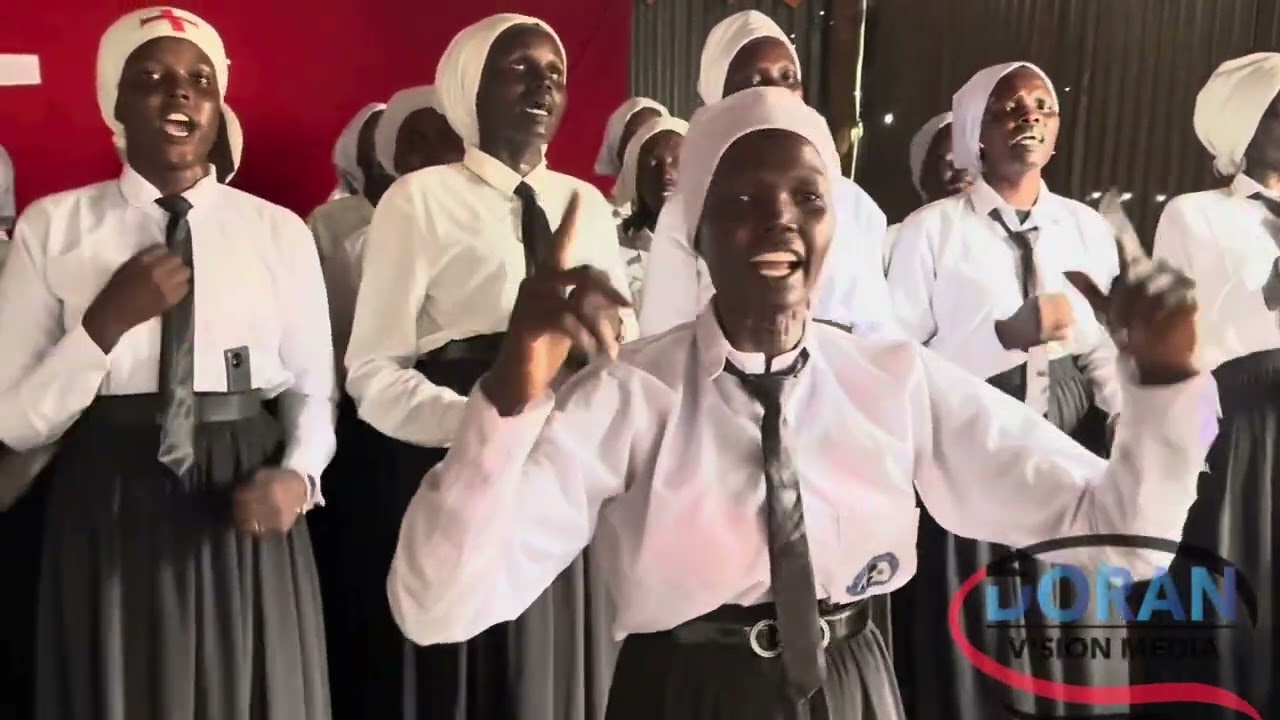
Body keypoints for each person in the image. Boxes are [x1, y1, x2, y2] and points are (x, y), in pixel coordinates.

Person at [386, 85, 1215, 720]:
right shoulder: (629, 396)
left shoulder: (892, 380)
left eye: (807, 198)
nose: (778, 221)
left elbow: (1122, 540)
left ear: (834, 226)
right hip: (683, 692)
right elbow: (435, 606)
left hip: (853, 684)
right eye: (742, 200)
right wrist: (511, 387)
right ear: (696, 231)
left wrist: (1165, 391)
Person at [0, 8, 335, 718]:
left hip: (242, 484)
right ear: (113, 106)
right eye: (150, 79)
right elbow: (17, 420)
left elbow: (312, 387)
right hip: (108, 490)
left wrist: (300, 477)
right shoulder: (52, 228)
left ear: (218, 105)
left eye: (199, 81)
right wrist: (104, 324)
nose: (179, 95)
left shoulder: (276, 231)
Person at [341, 13, 635, 720]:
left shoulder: (587, 205)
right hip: (459, 459)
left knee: (557, 664)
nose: (542, 86)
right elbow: (372, 370)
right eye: (519, 69)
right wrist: (483, 423)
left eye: (555, 74)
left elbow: (623, 348)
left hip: (564, 467)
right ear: (468, 86)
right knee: (468, 665)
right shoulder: (419, 200)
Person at [886, 62, 1126, 719]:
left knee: (1081, 642)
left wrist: (1131, 436)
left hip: (1070, 458)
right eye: (1007, 108)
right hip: (975, 457)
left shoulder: (1086, 229)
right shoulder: (930, 232)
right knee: (984, 653)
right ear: (975, 133)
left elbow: (1109, 352)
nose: (1027, 117)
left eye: (1041, 107)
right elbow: (899, 359)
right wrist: (1000, 337)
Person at [1143, 51, 1280, 720]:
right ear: (1242, 126)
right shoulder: (1194, 214)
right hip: (1238, 422)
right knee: (1233, 579)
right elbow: (1177, 330)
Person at [638, 10, 896, 339]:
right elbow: (664, 340)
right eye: (754, 83)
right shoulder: (688, 209)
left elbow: (878, 328)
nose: (776, 93)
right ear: (719, 99)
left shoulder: (853, 203)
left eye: (788, 77)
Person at [614, 116, 687, 313]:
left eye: (677, 162)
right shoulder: (611, 248)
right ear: (636, 177)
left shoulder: (715, 249)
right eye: (653, 163)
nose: (666, 174)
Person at [882, 112, 971, 271]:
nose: (962, 171)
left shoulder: (1008, 241)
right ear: (926, 173)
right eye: (950, 160)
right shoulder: (894, 243)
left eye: (971, 159)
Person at [594, 97, 669, 213]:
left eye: (654, 134)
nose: (644, 145)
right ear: (618, 153)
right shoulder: (602, 217)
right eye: (635, 138)